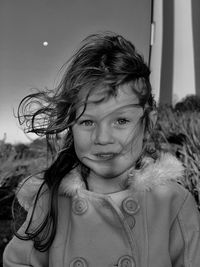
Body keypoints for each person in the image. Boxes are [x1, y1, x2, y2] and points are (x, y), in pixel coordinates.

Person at [3, 32, 200, 267]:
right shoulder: (52, 202)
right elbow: (17, 262)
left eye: (121, 121)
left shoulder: (173, 203)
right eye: (87, 122)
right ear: (71, 127)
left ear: (148, 124)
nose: (102, 138)